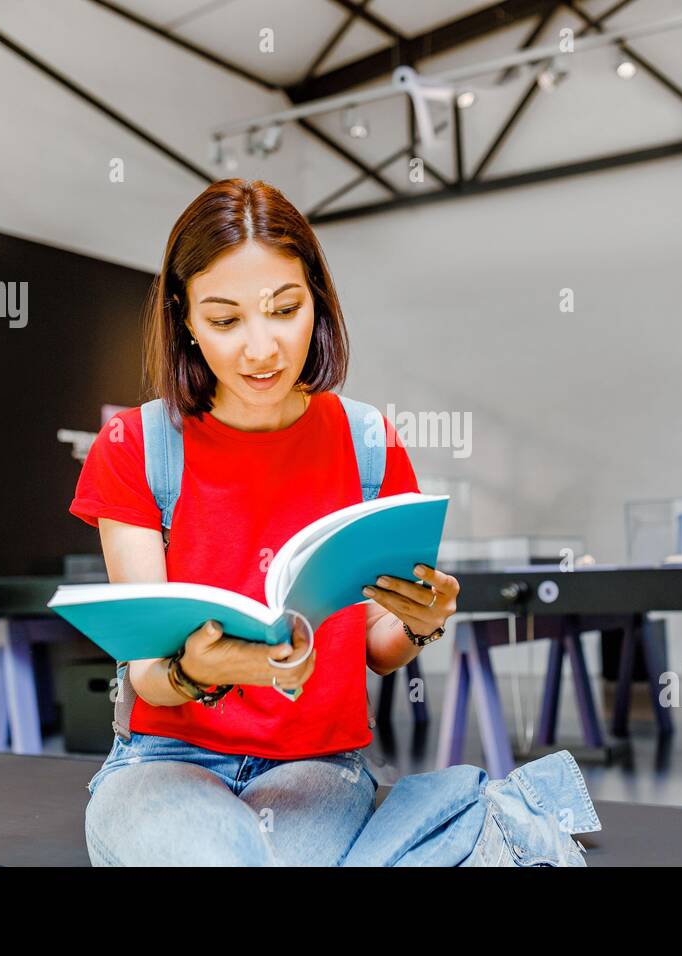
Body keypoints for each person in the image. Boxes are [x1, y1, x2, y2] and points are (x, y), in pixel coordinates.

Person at [71, 178, 460, 866]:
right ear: (184, 318)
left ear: (318, 299)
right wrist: (197, 670)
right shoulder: (137, 448)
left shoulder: (369, 442)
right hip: (165, 760)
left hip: (316, 766)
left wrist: (421, 620)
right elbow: (148, 674)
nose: (261, 349)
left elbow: (376, 646)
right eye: (225, 320)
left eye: (285, 309)